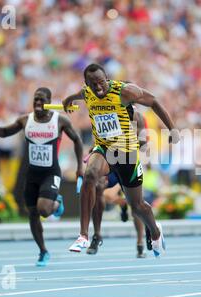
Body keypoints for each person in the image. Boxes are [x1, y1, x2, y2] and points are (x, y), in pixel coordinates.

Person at [63, 63, 179, 257]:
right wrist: (68, 99)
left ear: (107, 78)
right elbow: (79, 95)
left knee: (138, 206)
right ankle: (84, 234)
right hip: (104, 149)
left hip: (127, 154)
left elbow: (154, 102)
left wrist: (172, 129)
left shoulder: (125, 92)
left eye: (101, 82)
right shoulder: (87, 92)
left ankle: (155, 232)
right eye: (93, 84)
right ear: (87, 84)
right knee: (90, 175)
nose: (98, 87)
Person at [0, 87, 83, 266]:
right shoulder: (25, 120)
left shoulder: (59, 120)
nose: (38, 103)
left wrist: (79, 167)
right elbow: (4, 133)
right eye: (35, 100)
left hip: (50, 172)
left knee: (44, 209)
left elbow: (77, 140)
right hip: (31, 174)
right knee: (32, 213)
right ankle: (43, 251)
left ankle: (56, 202)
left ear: (49, 101)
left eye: (42, 100)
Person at [80, 109, 149, 258]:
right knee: (98, 188)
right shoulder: (110, 111)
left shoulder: (139, 117)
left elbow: (144, 146)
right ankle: (97, 235)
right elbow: (99, 139)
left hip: (129, 164)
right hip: (110, 164)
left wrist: (134, 139)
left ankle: (140, 243)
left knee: (135, 205)